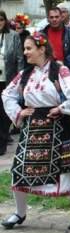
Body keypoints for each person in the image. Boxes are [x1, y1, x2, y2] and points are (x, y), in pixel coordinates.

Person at [1, 32, 70, 230]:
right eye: (24, 49)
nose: (25, 53)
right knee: (19, 169)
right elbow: (7, 94)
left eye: (29, 48)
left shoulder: (60, 70)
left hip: (59, 126)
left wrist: (62, 109)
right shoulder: (25, 74)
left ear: (42, 49)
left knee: (69, 170)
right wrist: (19, 113)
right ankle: (19, 213)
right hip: (32, 128)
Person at [0, 10, 24, 155]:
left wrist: (20, 80)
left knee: (3, 111)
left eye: (1, 20)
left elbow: (20, 59)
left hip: (8, 79)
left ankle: (2, 142)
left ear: (5, 21)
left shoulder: (13, 36)